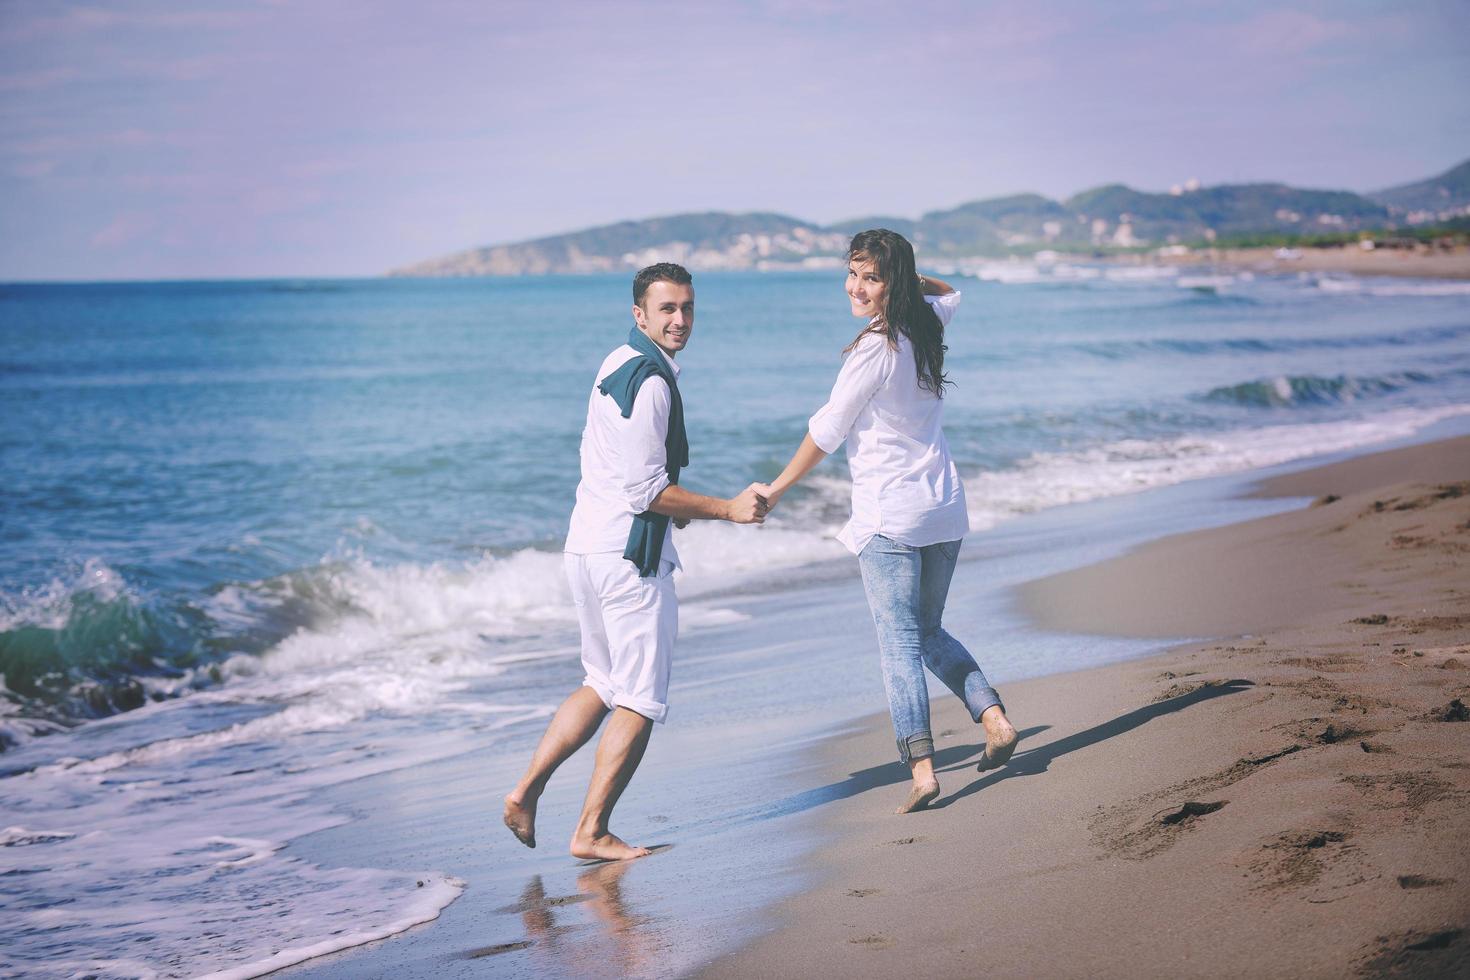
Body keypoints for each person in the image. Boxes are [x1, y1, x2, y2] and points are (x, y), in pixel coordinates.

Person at [503, 262, 769, 860]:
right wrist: (726, 509)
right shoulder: (651, 382)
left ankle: (524, 791)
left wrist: (678, 507)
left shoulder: (615, 361)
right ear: (639, 314)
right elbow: (644, 490)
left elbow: (617, 467)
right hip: (628, 559)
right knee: (641, 698)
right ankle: (591, 831)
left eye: (688, 308)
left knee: (601, 681)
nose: (680, 320)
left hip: (585, 550)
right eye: (667, 309)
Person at [758, 230, 1018, 814]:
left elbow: (827, 431)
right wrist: (904, 284)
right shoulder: (926, 322)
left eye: (871, 277)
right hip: (943, 506)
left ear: (891, 283)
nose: (855, 287)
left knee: (899, 643)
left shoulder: (875, 346)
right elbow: (954, 292)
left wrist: (775, 489)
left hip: (891, 516)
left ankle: (923, 770)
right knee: (926, 632)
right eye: (852, 273)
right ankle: (993, 717)